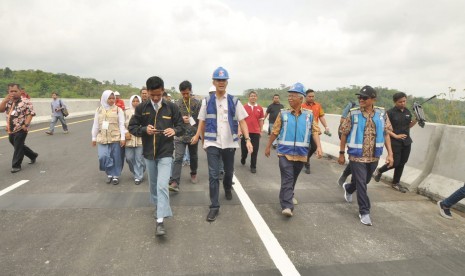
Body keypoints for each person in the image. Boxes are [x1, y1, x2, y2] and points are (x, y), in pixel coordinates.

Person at [192, 66, 253, 222]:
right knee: (213, 175)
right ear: (213, 82)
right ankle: (214, 206)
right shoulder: (206, 101)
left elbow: (242, 121)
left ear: (227, 82)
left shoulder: (234, 101)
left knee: (228, 171)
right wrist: (200, 138)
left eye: (223, 80)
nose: (221, 82)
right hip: (213, 143)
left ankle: (227, 186)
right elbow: (202, 121)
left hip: (229, 143)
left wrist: (248, 140)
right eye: (218, 80)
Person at [128, 76, 183, 237]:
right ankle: (159, 206)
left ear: (163, 90)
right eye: (153, 95)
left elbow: (180, 125)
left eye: (159, 94)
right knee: (153, 186)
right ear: (148, 92)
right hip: (149, 153)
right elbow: (132, 127)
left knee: (161, 185)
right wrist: (145, 130)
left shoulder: (171, 107)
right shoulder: (142, 108)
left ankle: (160, 220)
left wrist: (174, 130)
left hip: (166, 152)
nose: (156, 98)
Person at [264, 82, 323, 217]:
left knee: (292, 179)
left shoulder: (309, 115)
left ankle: (287, 195)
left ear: (301, 98)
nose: (290, 98)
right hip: (284, 153)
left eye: (293, 96)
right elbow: (275, 131)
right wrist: (268, 146)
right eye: (289, 96)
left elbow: (315, 131)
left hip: (302, 154)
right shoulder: (283, 114)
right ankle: (287, 206)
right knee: (288, 178)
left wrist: (319, 147)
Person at [338, 85, 394, 226]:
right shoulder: (353, 113)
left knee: (365, 181)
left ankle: (349, 188)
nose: (361, 100)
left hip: (374, 156)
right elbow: (344, 133)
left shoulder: (382, 114)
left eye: (364, 98)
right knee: (362, 183)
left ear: (373, 99)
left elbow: (386, 134)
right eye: (359, 97)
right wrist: (341, 153)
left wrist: (390, 154)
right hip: (357, 155)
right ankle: (364, 211)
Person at [372, 92, 417, 193]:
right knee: (395, 162)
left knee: (402, 163)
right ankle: (379, 170)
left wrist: (416, 120)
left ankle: (395, 183)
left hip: (406, 141)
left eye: (404, 101)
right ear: (395, 102)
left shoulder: (407, 112)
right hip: (394, 141)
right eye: (400, 102)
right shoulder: (389, 113)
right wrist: (396, 135)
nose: (403, 103)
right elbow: (386, 129)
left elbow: (408, 126)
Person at [169, 80, 201, 192]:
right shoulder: (176, 104)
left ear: (190, 90)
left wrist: (198, 135)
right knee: (178, 157)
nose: (185, 95)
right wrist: (181, 119)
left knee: (193, 157)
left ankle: (193, 173)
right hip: (180, 136)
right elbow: (173, 120)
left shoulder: (197, 103)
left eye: (187, 93)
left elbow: (201, 120)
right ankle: (175, 182)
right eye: (183, 94)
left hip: (193, 135)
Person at [0, 83, 39, 173]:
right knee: (17, 144)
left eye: (15, 91)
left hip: (21, 128)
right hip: (10, 129)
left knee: (18, 146)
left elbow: (30, 113)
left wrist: (26, 124)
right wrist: (5, 100)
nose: (13, 93)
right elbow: (1, 110)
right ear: (8, 92)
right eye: (11, 91)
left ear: (20, 91)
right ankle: (33, 155)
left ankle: (16, 165)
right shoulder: (8, 101)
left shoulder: (26, 101)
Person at [91, 90, 126, 185]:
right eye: (109, 98)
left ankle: (115, 175)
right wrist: (93, 138)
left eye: (113, 98)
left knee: (116, 157)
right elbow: (96, 125)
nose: (111, 100)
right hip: (102, 138)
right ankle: (109, 172)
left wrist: (123, 137)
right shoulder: (98, 110)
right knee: (103, 156)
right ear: (104, 99)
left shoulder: (119, 110)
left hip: (115, 138)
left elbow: (122, 124)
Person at [301, 89, 330, 174]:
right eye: (309, 96)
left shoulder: (318, 105)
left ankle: (305, 159)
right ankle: (307, 165)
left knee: (314, 147)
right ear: (305, 97)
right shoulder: (302, 106)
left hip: (314, 131)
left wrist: (326, 126)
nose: (311, 98)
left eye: (313, 96)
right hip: (304, 131)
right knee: (305, 147)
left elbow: (321, 117)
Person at [240, 90, 264, 173]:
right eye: (251, 96)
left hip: (256, 132)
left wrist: (261, 130)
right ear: (249, 97)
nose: (253, 97)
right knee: (244, 150)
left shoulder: (260, 108)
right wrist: (240, 131)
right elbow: (241, 120)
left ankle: (253, 166)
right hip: (245, 132)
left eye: (254, 96)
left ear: (256, 97)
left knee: (255, 150)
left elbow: (261, 120)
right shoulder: (244, 107)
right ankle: (243, 157)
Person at [124, 95, 145, 185]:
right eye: (134, 101)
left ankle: (138, 176)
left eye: (137, 101)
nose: (135, 103)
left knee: (139, 158)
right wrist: (125, 132)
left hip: (140, 139)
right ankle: (137, 171)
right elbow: (121, 124)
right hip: (129, 139)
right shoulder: (125, 112)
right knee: (129, 158)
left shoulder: (144, 111)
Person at [337, 100, 358, 186]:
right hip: (350, 136)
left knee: (358, 161)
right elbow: (342, 120)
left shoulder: (373, 112)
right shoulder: (352, 105)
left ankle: (352, 181)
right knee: (355, 160)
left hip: (364, 140)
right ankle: (352, 181)